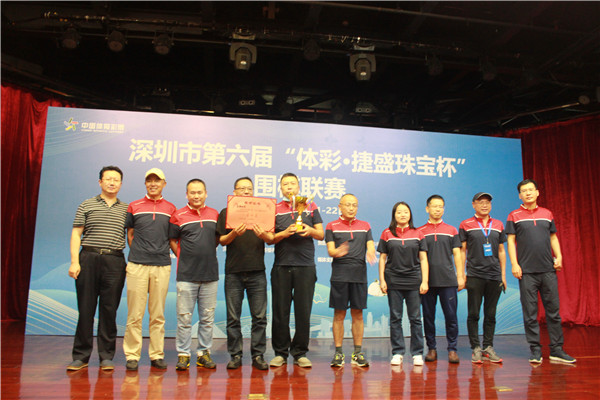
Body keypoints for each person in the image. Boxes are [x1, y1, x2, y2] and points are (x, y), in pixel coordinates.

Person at [506, 179, 576, 364]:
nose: (528, 193)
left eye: (531, 190)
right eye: (524, 191)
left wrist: (559, 256)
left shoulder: (547, 213)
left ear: (537, 192)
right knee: (530, 313)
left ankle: (556, 350)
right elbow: (511, 241)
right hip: (526, 272)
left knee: (553, 312)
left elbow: (553, 237)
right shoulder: (514, 215)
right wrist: (514, 264)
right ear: (520, 195)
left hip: (548, 271)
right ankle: (535, 350)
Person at [67, 166, 128, 371]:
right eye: (108, 179)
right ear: (100, 182)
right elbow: (76, 234)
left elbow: (131, 236)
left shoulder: (126, 209)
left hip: (115, 260)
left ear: (121, 184)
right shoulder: (87, 205)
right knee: (85, 309)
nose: (112, 182)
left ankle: (106, 356)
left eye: (116, 180)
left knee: (109, 310)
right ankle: (81, 356)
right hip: (89, 258)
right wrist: (74, 261)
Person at [268, 173, 324, 368]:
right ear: (281, 188)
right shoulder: (274, 208)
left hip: (305, 266)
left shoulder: (310, 206)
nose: (289, 186)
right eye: (285, 184)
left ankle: (300, 352)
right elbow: (269, 238)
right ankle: (280, 353)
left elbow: (321, 234)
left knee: (303, 312)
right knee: (280, 312)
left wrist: (309, 230)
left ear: (299, 187)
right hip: (281, 266)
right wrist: (284, 233)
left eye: (292, 183)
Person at [122, 168, 176, 371]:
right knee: (134, 314)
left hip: (161, 265)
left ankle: (156, 354)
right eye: (149, 180)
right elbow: (130, 234)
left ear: (164, 183)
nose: (153, 184)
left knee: (157, 314)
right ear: (145, 183)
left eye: (157, 180)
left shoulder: (171, 208)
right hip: (137, 265)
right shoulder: (134, 206)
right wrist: (139, 253)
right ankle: (132, 355)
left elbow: (172, 238)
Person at [216, 177, 272, 370]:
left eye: (249, 189)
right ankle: (236, 355)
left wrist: (263, 234)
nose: (246, 192)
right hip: (234, 272)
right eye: (242, 189)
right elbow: (221, 241)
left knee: (260, 317)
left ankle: (258, 355)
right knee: (233, 318)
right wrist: (234, 234)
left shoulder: (262, 211)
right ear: (235, 192)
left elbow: (271, 238)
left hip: (257, 272)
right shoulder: (226, 212)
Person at [169, 179, 219, 371]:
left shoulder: (214, 214)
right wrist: (183, 257)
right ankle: (183, 354)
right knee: (184, 318)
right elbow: (172, 241)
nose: (196, 196)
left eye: (199, 192)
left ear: (206, 193)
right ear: (187, 195)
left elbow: (216, 240)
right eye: (192, 193)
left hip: (210, 274)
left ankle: (203, 353)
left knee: (207, 318)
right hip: (186, 275)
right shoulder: (178, 215)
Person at [325, 194, 377, 368]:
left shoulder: (365, 226)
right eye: (348, 204)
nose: (351, 208)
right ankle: (338, 353)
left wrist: (371, 251)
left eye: (354, 205)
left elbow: (370, 244)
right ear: (340, 206)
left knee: (358, 314)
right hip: (340, 275)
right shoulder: (331, 226)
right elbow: (330, 250)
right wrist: (337, 251)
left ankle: (357, 353)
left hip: (359, 275)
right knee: (339, 314)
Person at [377, 201, 429, 367]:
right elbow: (382, 259)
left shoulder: (418, 233)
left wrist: (425, 281)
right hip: (393, 280)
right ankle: (398, 352)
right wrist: (382, 280)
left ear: (410, 214)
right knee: (395, 318)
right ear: (394, 215)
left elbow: (423, 259)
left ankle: (417, 353)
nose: (402, 215)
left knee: (415, 318)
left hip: (414, 280)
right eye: (399, 212)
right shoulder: (387, 233)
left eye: (405, 212)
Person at [459, 192, 506, 364]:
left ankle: (488, 347)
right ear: (474, 204)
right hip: (474, 275)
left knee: (490, 314)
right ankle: (476, 348)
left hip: (494, 276)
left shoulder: (498, 224)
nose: (484, 205)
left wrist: (503, 275)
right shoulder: (466, 224)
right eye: (481, 202)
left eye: (487, 202)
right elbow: (462, 251)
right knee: (473, 314)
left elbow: (501, 251)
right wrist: (461, 275)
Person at [417, 194, 463, 364]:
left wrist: (460, 276)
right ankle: (432, 348)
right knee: (428, 316)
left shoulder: (451, 230)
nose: (437, 209)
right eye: (434, 206)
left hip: (448, 281)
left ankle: (452, 349)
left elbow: (457, 254)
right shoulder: (419, 231)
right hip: (427, 282)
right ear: (427, 208)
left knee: (451, 316)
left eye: (440, 206)